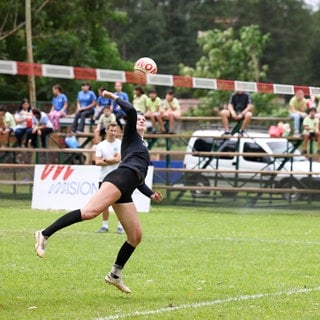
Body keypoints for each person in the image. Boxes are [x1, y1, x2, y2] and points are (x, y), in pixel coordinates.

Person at [34, 89, 163, 294]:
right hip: (119, 179)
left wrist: (150, 194)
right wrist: (113, 97)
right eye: (138, 118)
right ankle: (44, 233)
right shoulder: (130, 136)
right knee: (89, 213)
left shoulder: (143, 145)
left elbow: (139, 178)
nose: (140, 120)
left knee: (135, 237)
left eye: (143, 119)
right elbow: (129, 111)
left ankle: (114, 275)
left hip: (128, 187)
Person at [95, 122, 123, 234]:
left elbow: (118, 159)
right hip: (104, 178)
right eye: (111, 130)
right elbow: (97, 162)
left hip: (118, 177)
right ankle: (105, 225)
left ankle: (120, 226)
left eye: (115, 131)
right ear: (106, 131)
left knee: (120, 203)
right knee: (104, 203)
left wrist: (105, 160)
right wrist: (111, 160)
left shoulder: (120, 144)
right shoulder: (101, 145)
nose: (113, 133)